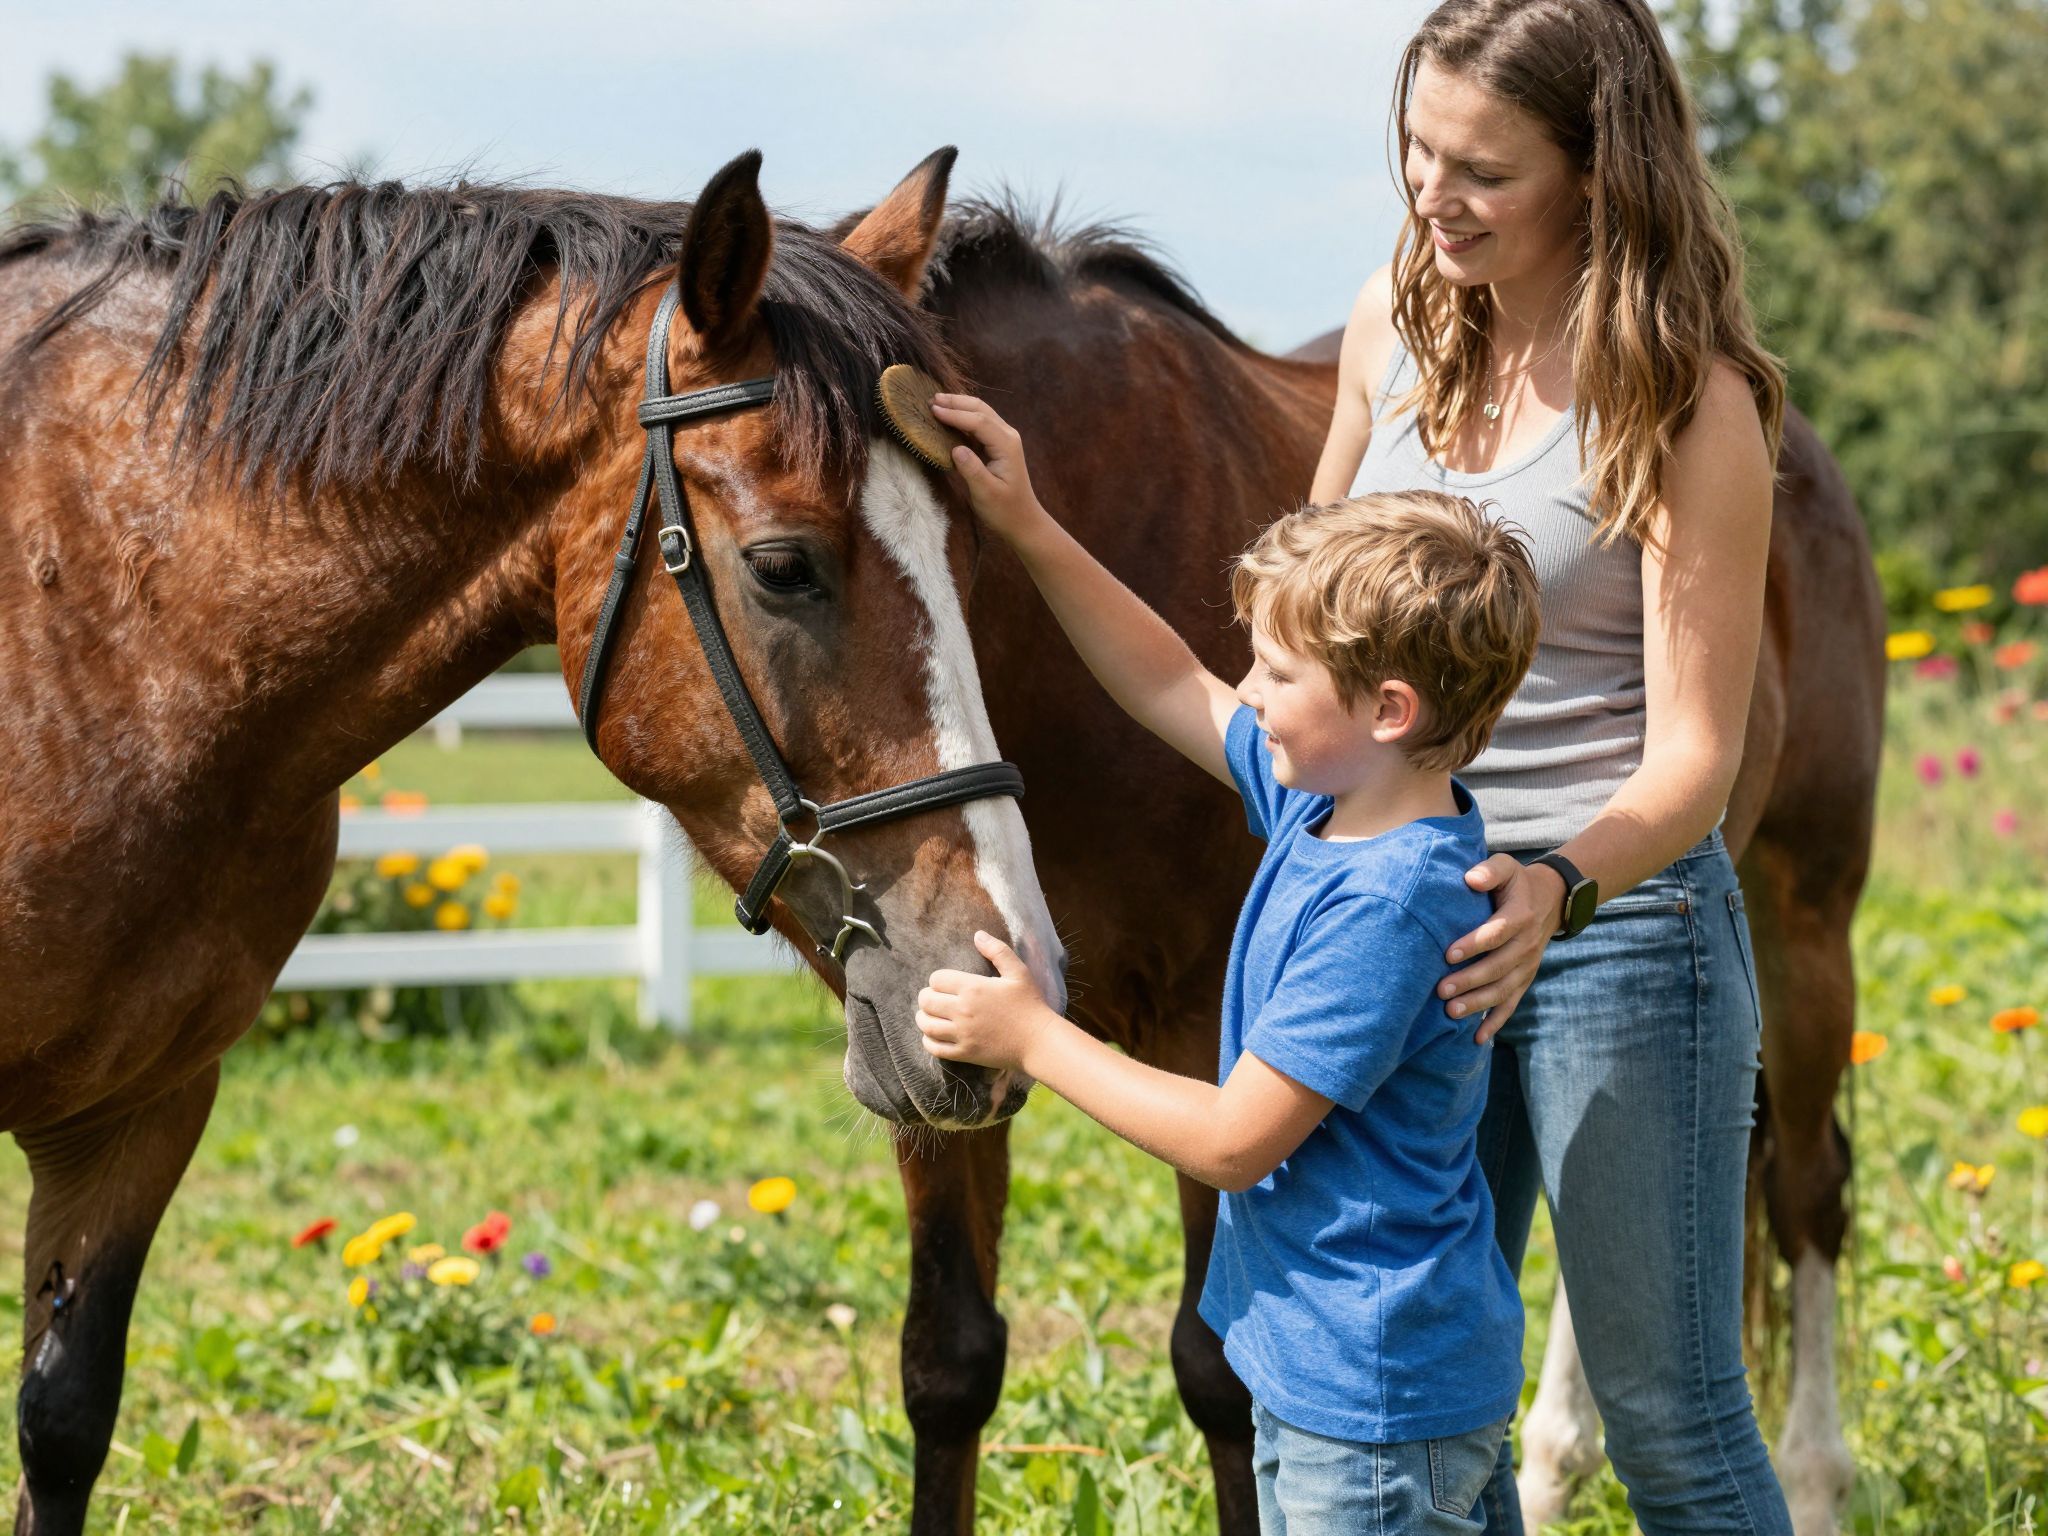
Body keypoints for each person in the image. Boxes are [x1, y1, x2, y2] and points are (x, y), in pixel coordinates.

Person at [1313, 1, 1791, 1531]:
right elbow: (1309, 609)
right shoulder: (1393, 322)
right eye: (1415, 151)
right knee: (1430, 1408)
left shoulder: (1684, 399)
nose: (1432, 198)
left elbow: (1700, 753)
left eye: (1484, 172)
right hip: (1410, 923)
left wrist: (1560, 886)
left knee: (1671, 1423)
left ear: (1596, 173)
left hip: (1619, 938)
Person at [910, 416, 1543, 1536]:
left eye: (1276, 670)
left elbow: (1231, 1139)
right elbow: (1169, 683)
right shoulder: (1331, 800)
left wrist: (1036, 1040)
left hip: (1373, 1409)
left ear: (1387, 711)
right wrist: (1028, 524)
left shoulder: (1389, 905)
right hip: (1357, 1377)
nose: (1245, 688)